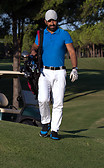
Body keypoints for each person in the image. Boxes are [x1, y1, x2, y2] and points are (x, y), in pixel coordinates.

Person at [30, 9, 78, 140]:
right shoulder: (41, 35)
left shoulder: (64, 34)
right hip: (44, 72)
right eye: (49, 20)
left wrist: (74, 68)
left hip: (60, 72)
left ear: (57, 20)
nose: (52, 22)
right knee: (43, 99)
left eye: (54, 20)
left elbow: (72, 52)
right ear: (45, 21)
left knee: (58, 103)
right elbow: (34, 47)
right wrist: (32, 54)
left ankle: (55, 130)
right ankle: (45, 123)